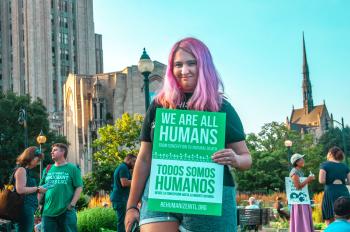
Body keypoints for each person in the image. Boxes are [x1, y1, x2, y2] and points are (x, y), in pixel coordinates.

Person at [125, 37, 252, 232]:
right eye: (178, 64)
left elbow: (246, 158)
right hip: (162, 193)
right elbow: (144, 158)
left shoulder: (220, 107)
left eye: (192, 63)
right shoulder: (160, 104)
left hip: (210, 198)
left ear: (204, 66)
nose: (184, 70)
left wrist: (235, 158)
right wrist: (131, 206)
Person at [39, 143, 83, 232]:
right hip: (48, 212)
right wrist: (39, 204)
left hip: (66, 211)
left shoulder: (73, 168)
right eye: (52, 150)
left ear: (63, 152)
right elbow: (40, 189)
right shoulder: (47, 169)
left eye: (55, 150)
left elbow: (79, 187)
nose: (52, 152)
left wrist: (72, 204)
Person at [13, 146, 46, 232]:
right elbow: (20, 189)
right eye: (37, 160)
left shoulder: (25, 171)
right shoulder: (21, 170)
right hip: (24, 209)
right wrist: (38, 189)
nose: (37, 163)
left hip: (27, 208)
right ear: (31, 157)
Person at [319, 146, 350, 225]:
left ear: (330, 154)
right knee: (346, 216)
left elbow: (321, 180)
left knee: (329, 217)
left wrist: (331, 180)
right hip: (344, 192)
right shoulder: (344, 166)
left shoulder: (325, 165)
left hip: (331, 192)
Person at [110, 154, 137, 232]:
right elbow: (124, 183)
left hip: (119, 198)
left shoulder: (122, 167)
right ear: (128, 160)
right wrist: (137, 181)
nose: (135, 163)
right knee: (122, 221)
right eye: (134, 161)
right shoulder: (123, 168)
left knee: (123, 220)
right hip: (120, 199)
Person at [289, 153, 315, 232]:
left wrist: (309, 180)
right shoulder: (294, 172)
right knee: (301, 218)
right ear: (296, 162)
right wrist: (308, 179)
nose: (303, 160)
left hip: (303, 199)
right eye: (301, 159)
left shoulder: (300, 171)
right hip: (299, 201)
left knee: (304, 218)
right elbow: (298, 187)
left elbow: (302, 185)